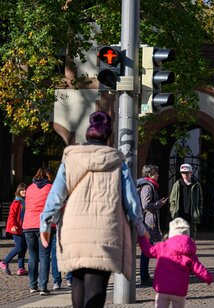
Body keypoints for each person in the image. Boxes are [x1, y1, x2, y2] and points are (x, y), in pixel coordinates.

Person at [40, 111, 147, 308]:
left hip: (73, 229)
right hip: (106, 228)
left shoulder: (70, 160)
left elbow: (55, 197)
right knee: (97, 285)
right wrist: (141, 229)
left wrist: (45, 225)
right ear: (108, 137)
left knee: (78, 282)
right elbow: (132, 202)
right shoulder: (117, 162)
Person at [138, 217, 213, 308]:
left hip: (162, 288)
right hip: (179, 291)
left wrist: (142, 237)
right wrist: (208, 277)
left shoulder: (163, 247)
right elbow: (198, 268)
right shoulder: (189, 252)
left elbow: (148, 251)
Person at [24, 167, 55, 295]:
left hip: (29, 224)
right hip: (45, 225)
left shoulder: (29, 188)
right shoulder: (50, 188)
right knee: (44, 256)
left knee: (32, 256)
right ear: (48, 176)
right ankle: (43, 287)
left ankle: (32, 285)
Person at [137, 164, 168, 286]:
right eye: (156, 173)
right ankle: (144, 277)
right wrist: (159, 204)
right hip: (148, 223)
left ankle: (145, 275)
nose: (158, 175)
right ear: (150, 175)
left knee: (148, 250)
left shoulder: (150, 186)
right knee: (147, 250)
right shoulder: (148, 187)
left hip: (147, 222)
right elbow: (146, 205)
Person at [169, 163, 203, 238]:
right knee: (179, 237)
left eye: (187, 173)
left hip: (191, 215)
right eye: (183, 173)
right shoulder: (177, 184)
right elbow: (172, 199)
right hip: (179, 214)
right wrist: (173, 211)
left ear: (190, 173)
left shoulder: (196, 185)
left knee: (191, 238)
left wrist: (199, 211)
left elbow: (200, 199)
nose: (185, 175)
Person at [1, 183, 28, 276]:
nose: (24, 191)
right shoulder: (16, 202)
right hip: (16, 228)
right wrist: (13, 225)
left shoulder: (25, 202)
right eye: (22, 190)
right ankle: (4, 262)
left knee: (24, 248)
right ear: (19, 191)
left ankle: (21, 268)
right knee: (19, 247)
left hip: (23, 228)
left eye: (25, 190)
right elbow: (11, 215)